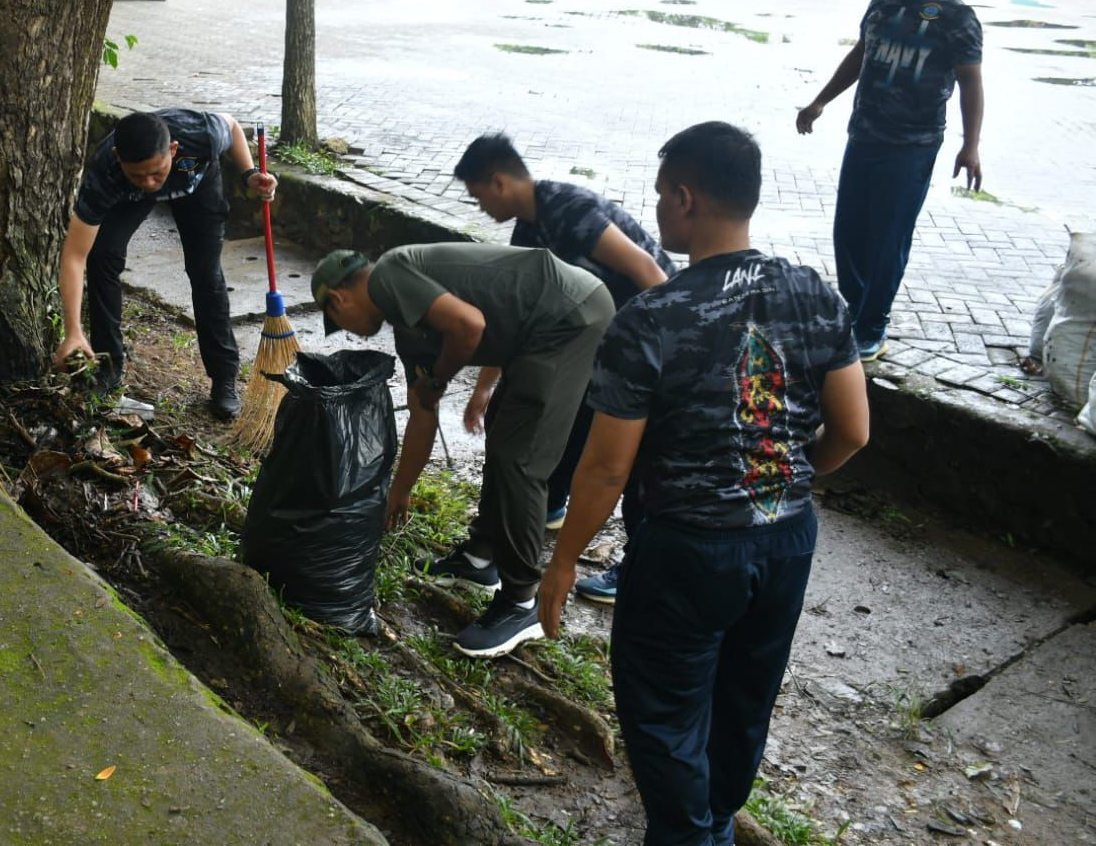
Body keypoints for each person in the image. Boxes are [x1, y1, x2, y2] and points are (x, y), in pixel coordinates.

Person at [538, 121, 869, 846]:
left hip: (685, 550)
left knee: (662, 711)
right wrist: (778, 482)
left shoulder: (651, 317)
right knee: (744, 698)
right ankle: (710, 821)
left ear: (685, 199)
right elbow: (852, 430)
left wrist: (563, 562)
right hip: (785, 542)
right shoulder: (813, 293)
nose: (656, 208)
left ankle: (692, 834)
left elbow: (605, 466)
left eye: (660, 195)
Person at [313, 242, 614, 658]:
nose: (345, 329)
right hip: (539, 328)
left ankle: (522, 601)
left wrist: (438, 378)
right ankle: (479, 559)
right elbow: (423, 413)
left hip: (568, 314)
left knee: (520, 459)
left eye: (336, 320)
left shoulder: (389, 275)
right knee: (504, 435)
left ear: (338, 297)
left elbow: (468, 325)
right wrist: (400, 491)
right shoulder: (408, 327)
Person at [454, 132, 674, 605]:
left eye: (477, 196)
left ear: (497, 182)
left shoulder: (567, 210)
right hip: (588, 344)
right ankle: (541, 510)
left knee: (632, 464)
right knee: (544, 418)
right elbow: (515, 320)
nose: (479, 208)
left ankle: (636, 568)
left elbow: (649, 273)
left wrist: (665, 360)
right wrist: (483, 390)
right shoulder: (528, 232)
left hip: (640, 343)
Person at [797, 0, 983, 363]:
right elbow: (861, 54)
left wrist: (970, 144)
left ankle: (872, 324)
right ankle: (857, 309)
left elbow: (971, 83)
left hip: (912, 147)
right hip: (863, 136)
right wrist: (821, 100)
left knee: (888, 238)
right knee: (849, 232)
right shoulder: (881, 3)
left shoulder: (956, 18)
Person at [54, 109, 276, 419]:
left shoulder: (202, 135)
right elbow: (75, 255)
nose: (148, 182)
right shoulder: (106, 171)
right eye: (138, 174)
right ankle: (108, 368)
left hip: (196, 183)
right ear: (119, 158)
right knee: (102, 254)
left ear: (172, 150)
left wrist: (249, 174)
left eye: (155, 173)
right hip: (128, 197)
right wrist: (73, 330)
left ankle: (224, 379)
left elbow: (234, 126)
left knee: (205, 272)